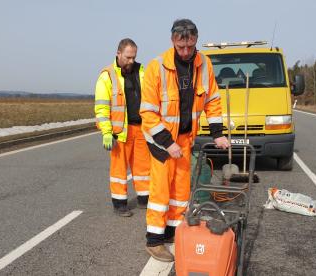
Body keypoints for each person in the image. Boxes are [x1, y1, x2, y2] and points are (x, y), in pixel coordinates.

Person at [140, 19, 230, 262]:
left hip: (185, 139)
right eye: (181, 47)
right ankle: (155, 240)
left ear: (196, 40)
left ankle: (173, 232)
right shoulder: (156, 67)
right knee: (160, 191)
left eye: (190, 46)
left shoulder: (204, 64)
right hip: (161, 141)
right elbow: (148, 112)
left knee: (181, 190)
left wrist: (218, 133)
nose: (187, 52)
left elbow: (212, 100)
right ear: (173, 42)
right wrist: (168, 142)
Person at [94, 38, 150, 217]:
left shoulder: (142, 71)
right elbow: (102, 107)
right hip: (120, 133)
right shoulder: (107, 75)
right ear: (118, 54)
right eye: (128, 57)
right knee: (119, 170)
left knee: (143, 168)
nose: (131, 61)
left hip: (141, 128)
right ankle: (119, 204)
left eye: (134, 57)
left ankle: (145, 199)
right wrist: (106, 132)